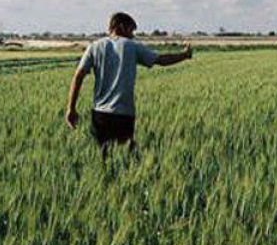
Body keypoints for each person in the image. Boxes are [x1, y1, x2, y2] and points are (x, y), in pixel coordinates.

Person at [65, 12, 192, 159]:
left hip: (99, 115)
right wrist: (184, 55)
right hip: (124, 114)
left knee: (102, 160)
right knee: (125, 160)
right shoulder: (133, 47)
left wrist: (71, 108)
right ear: (121, 27)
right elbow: (161, 60)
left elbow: (78, 76)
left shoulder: (94, 47)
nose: (132, 35)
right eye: (131, 30)